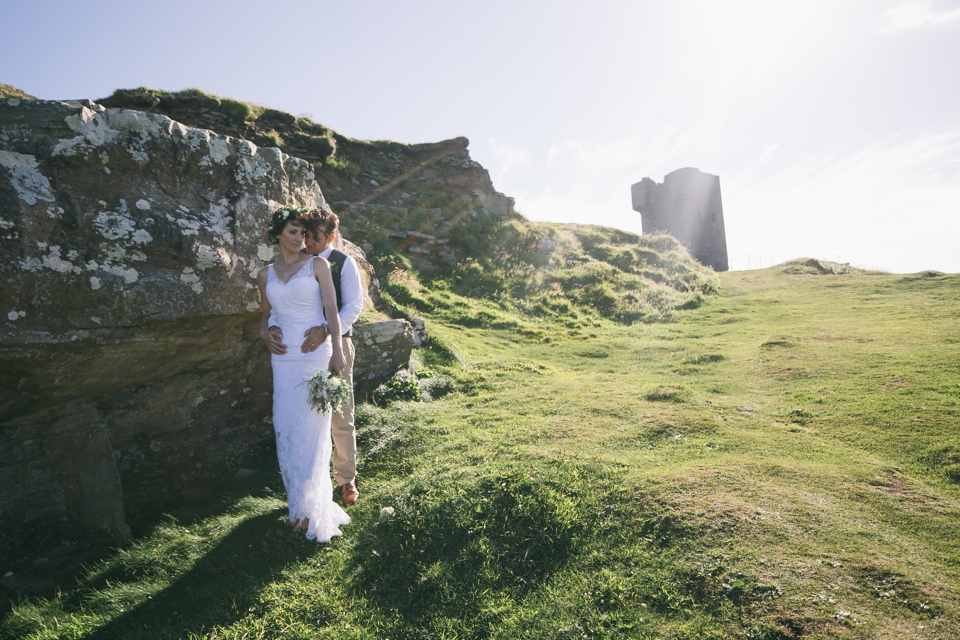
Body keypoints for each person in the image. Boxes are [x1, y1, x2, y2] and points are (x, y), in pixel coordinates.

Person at [257, 207, 350, 542]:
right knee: (286, 428)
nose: (300, 239)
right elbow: (265, 315)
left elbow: (332, 311)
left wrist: (337, 350)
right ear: (277, 235)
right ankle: (296, 505)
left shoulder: (318, 265)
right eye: (293, 233)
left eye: (303, 233)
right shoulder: (264, 274)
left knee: (311, 432)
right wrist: (264, 333)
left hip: (313, 355)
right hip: (282, 360)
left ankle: (311, 511)